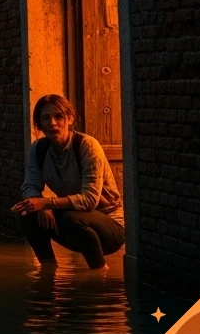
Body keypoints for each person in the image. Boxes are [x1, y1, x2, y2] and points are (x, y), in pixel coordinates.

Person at [11, 94, 124, 269]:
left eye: (58, 117)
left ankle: (100, 272)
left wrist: (47, 202)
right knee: (27, 214)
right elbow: (30, 186)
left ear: (70, 119)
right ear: (39, 123)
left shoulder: (87, 145)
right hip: (72, 222)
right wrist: (42, 206)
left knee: (72, 219)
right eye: (46, 118)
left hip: (109, 227)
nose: (52, 123)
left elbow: (89, 200)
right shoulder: (38, 149)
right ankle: (48, 270)